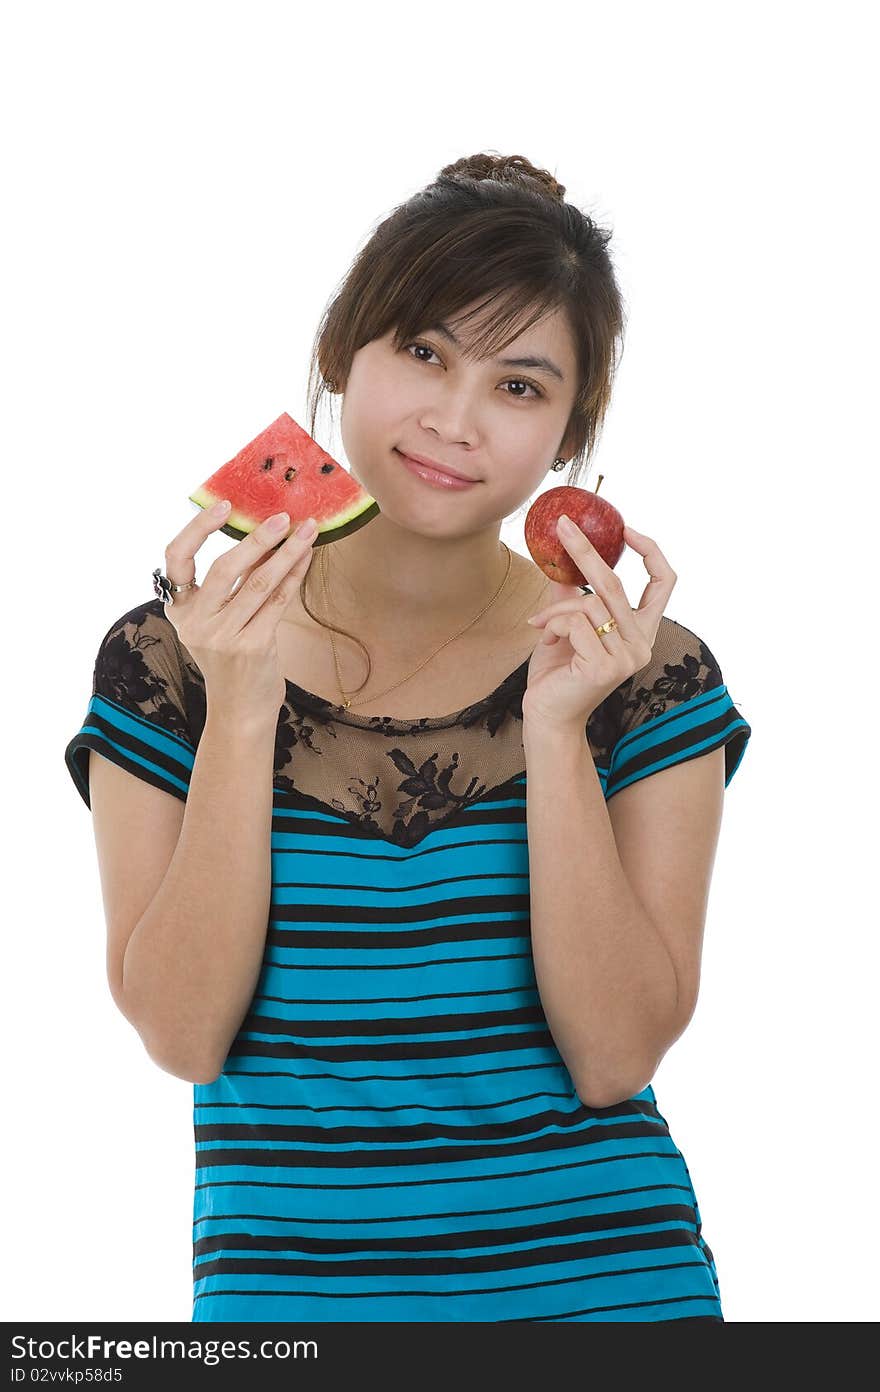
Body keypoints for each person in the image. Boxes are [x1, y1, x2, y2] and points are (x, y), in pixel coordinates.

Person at [64, 151, 751, 1323]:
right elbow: (182, 1035)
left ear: (568, 440)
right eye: (422, 352)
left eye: (519, 387)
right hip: (295, 1313)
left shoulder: (640, 669)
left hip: (609, 1294)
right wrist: (239, 706)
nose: (453, 418)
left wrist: (554, 730)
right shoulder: (174, 653)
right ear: (343, 353)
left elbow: (613, 1058)